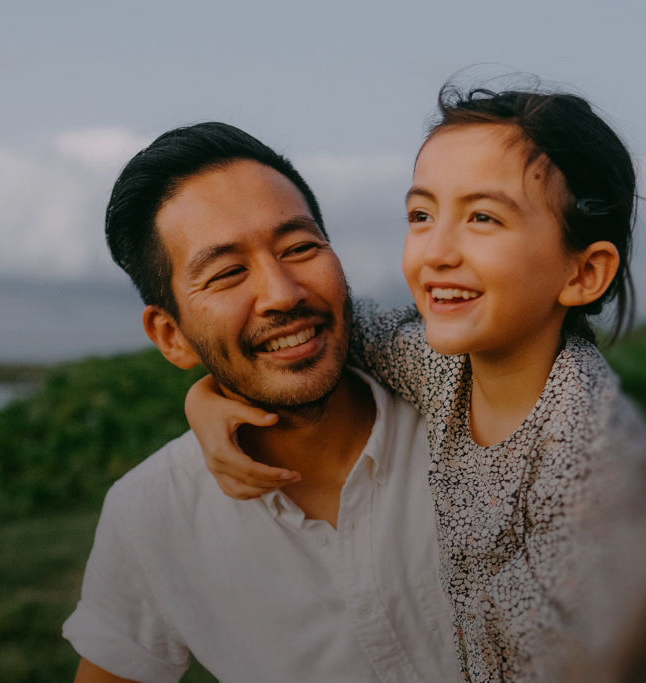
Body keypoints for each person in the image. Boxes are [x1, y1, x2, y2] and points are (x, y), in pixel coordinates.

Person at [184, 83, 646, 681]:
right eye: (421, 216)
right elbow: (320, 335)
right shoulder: (442, 366)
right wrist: (205, 396)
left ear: (584, 272)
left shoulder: (587, 463)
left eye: (483, 218)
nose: (436, 252)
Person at [63, 122, 461, 682]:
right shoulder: (152, 515)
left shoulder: (479, 417)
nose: (282, 293)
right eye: (227, 273)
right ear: (171, 336)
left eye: (300, 248)